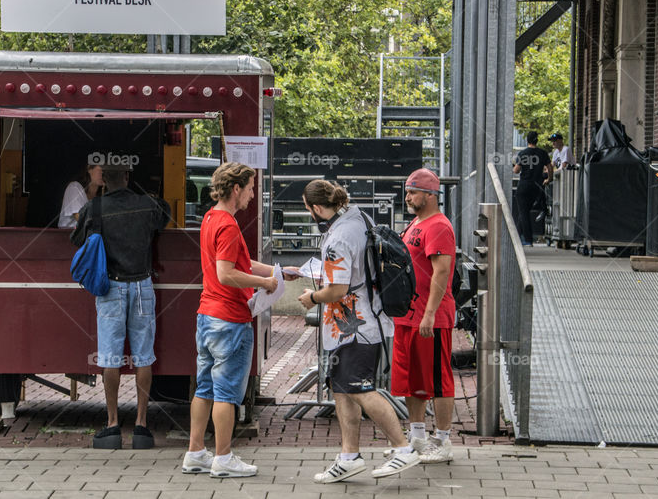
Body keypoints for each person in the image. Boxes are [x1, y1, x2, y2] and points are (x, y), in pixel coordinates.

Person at [287, 179, 420, 483]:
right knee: (343, 389)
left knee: (361, 389)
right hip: (360, 320)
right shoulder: (360, 218)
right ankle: (349, 456)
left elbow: (337, 288)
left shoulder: (337, 239)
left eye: (309, 210)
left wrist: (312, 297)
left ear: (318, 208)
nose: (310, 216)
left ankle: (403, 449)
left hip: (354, 327)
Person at [182, 162, 277, 478]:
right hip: (230, 319)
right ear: (236, 189)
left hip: (207, 316)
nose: (252, 194)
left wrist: (276, 272)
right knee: (225, 393)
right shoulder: (229, 225)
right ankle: (223, 457)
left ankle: (196, 452)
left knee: (204, 388)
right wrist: (265, 284)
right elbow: (227, 273)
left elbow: (239, 260)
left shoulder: (211, 218)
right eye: (250, 188)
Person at [70, 162, 170, 449]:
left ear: (104, 181)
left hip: (110, 286)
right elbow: (165, 214)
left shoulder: (95, 208)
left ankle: (112, 426)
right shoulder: (147, 205)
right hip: (142, 285)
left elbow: (77, 239)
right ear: (127, 177)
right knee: (144, 357)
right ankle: (141, 427)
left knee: (110, 357)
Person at [391, 168, 460, 464]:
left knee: (438, 379)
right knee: (411, 378)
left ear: (431, 195)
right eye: (407, 190)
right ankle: (417, 435)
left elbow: (442, 271)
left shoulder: (439, 226)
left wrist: (430, 314)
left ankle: (443, 440)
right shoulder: (415, 223)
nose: (408, 196)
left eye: (413, 191)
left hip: (428, 318)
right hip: (409, 315)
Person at [513, 132, 552, 246]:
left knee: (523, 213)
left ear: (527, 141)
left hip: (524, 185)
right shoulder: (543, 153)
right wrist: (549, 179)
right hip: (536, 187)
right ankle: (517, 237)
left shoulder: (523, 153)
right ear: (537, 140)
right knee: (524, 212)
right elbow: (550, 168)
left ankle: (528, 240)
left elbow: (516, 170)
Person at [59, 162, 104, 228]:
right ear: (89, 168)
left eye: (107, 171)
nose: (104, 174)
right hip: (67, 235)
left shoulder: (102, 195)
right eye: (101, 170)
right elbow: (82, 219)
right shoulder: (74, 187)